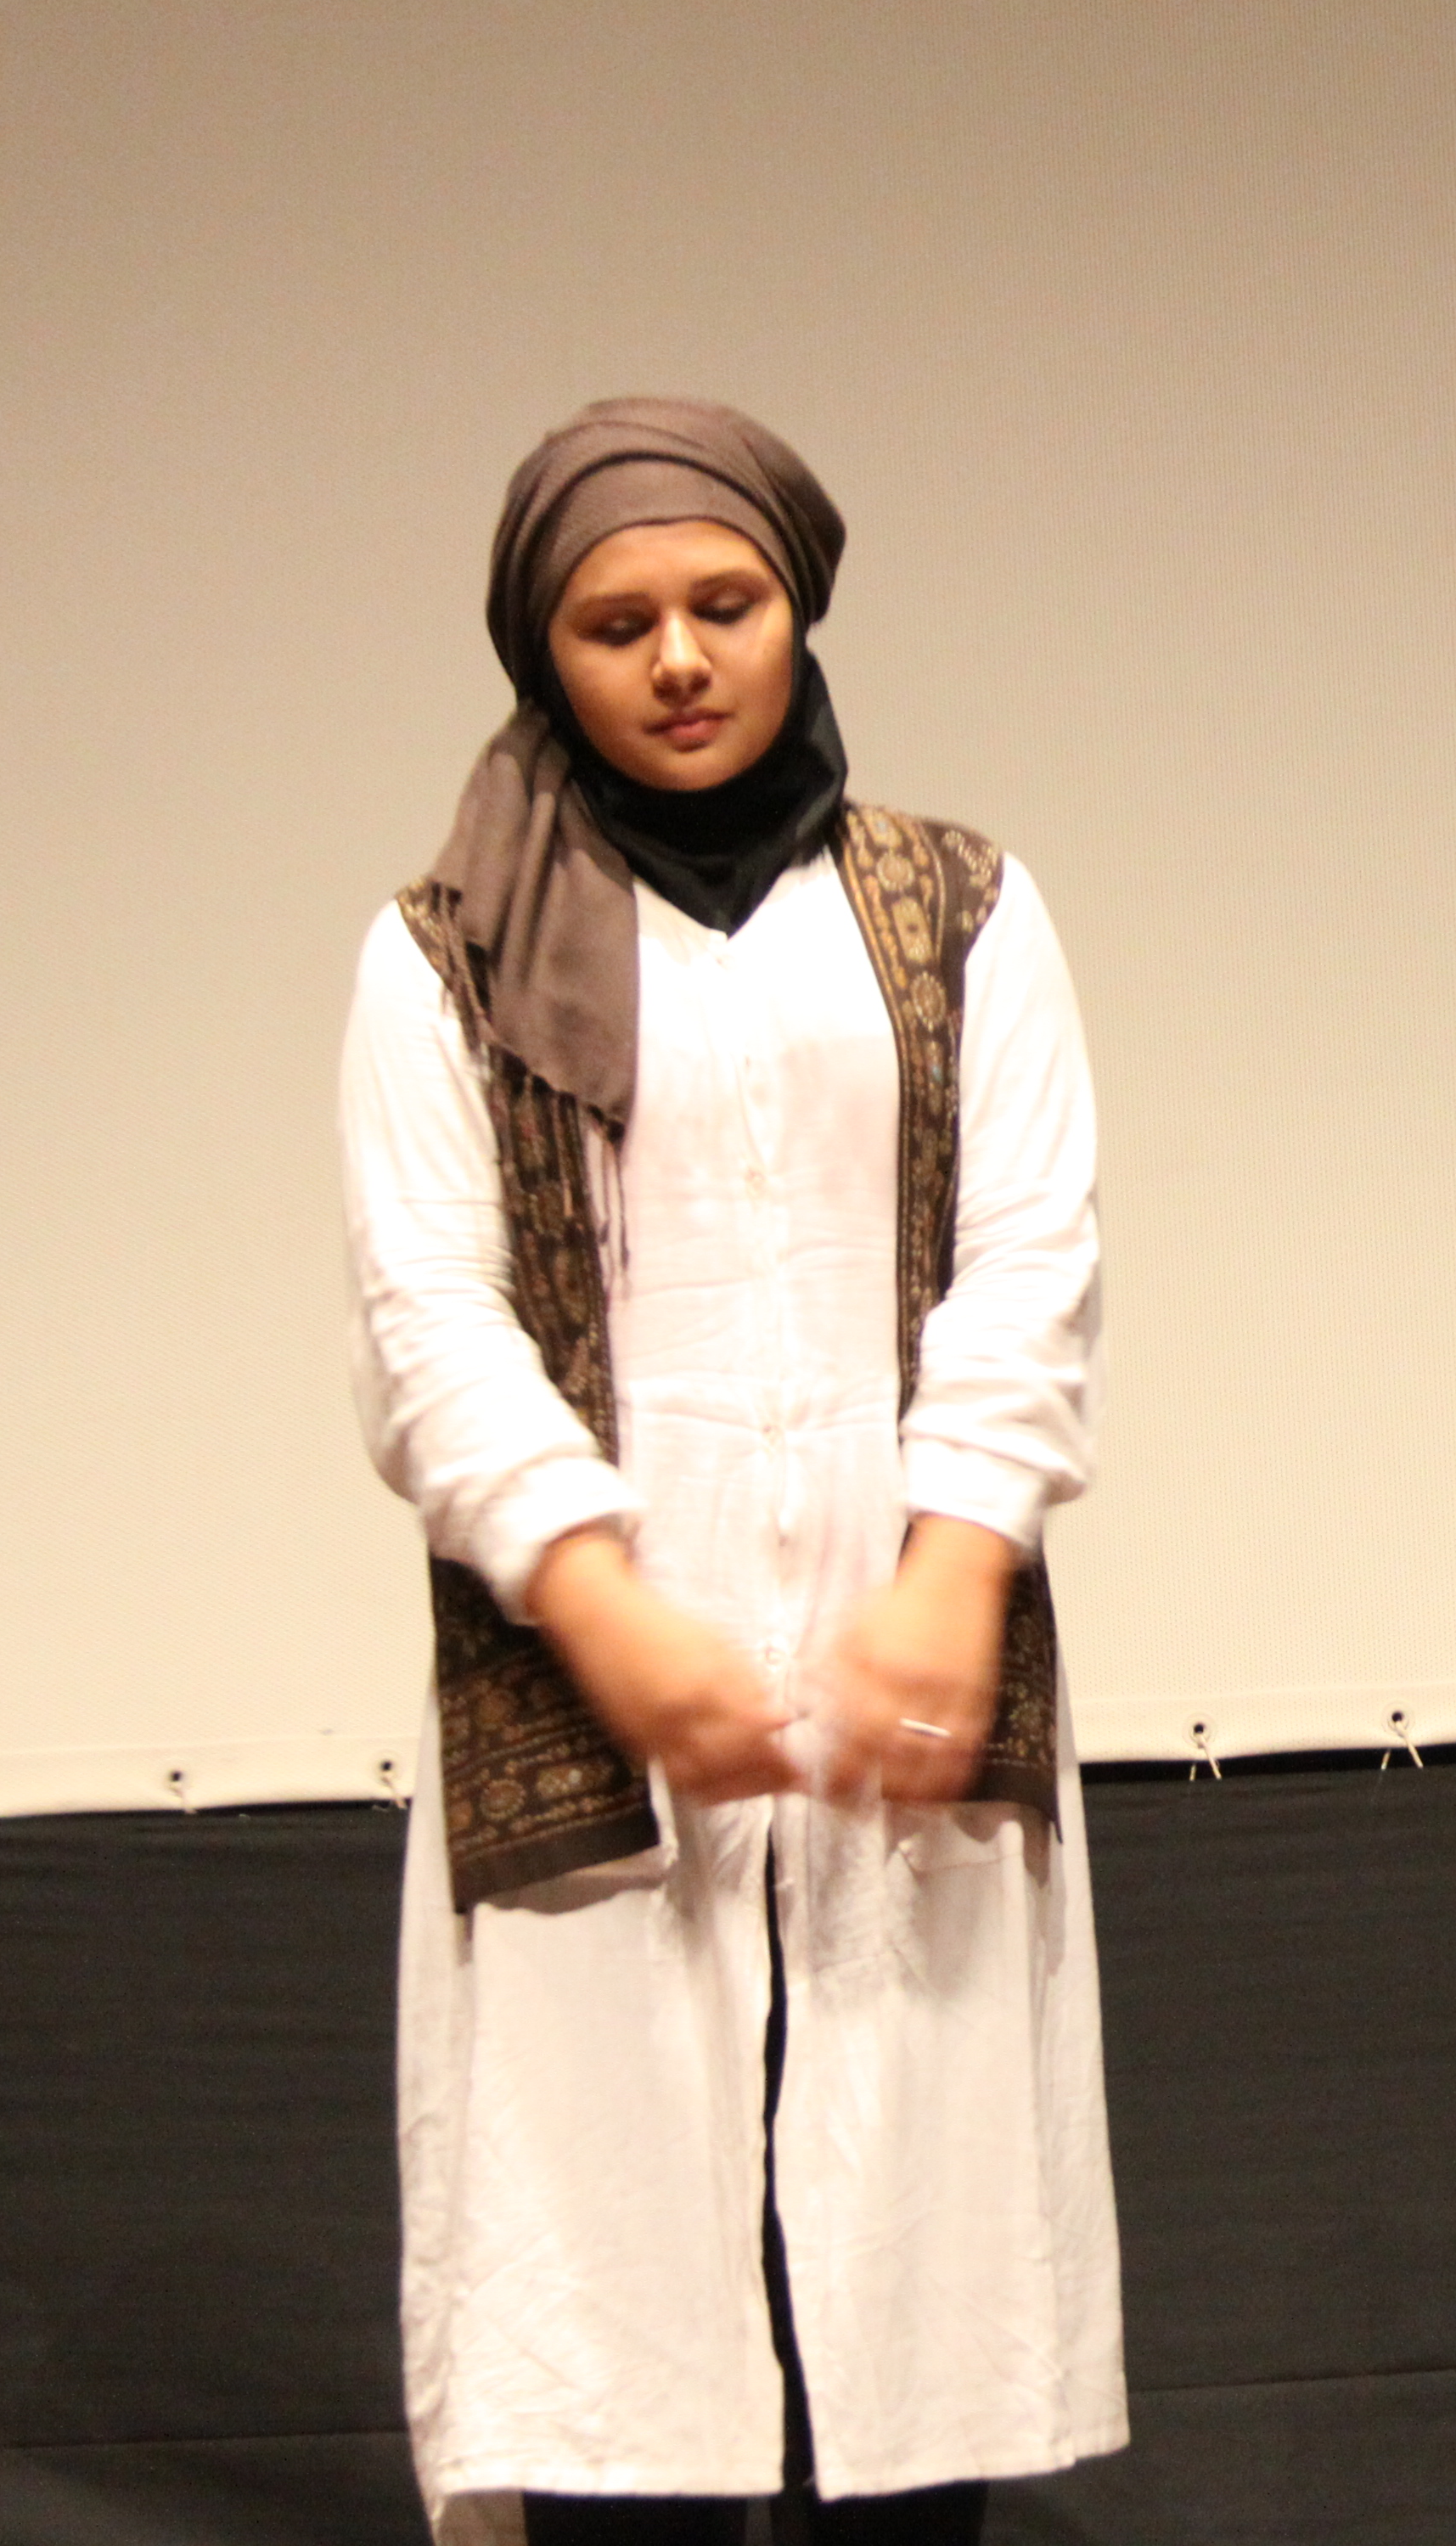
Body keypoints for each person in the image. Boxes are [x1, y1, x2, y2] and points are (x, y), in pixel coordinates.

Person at [340, 398, 1123, 2544]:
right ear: (545, 652)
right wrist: (600, 1601)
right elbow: (431, 1320)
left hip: (901, 1654)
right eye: (618, 625)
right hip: (596, 1681)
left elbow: (1030, 1257)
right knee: (621, 2342)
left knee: (909, 2327)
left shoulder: (958, 906)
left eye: (725, 604)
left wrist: (953, 1567)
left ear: (798, 609)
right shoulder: (443, 954)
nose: (680, 658)